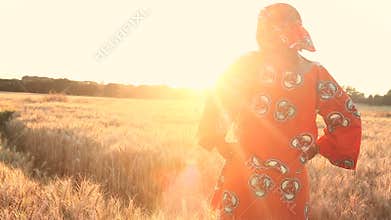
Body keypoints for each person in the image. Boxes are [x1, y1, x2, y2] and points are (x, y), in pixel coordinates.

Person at [197, 3, 362, 219]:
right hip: (289, 182)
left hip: (244, 173)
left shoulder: (245, 65)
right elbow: (348, 118)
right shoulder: (315, 73)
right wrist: (314, 148)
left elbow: (217, 101)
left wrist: (220, 144)